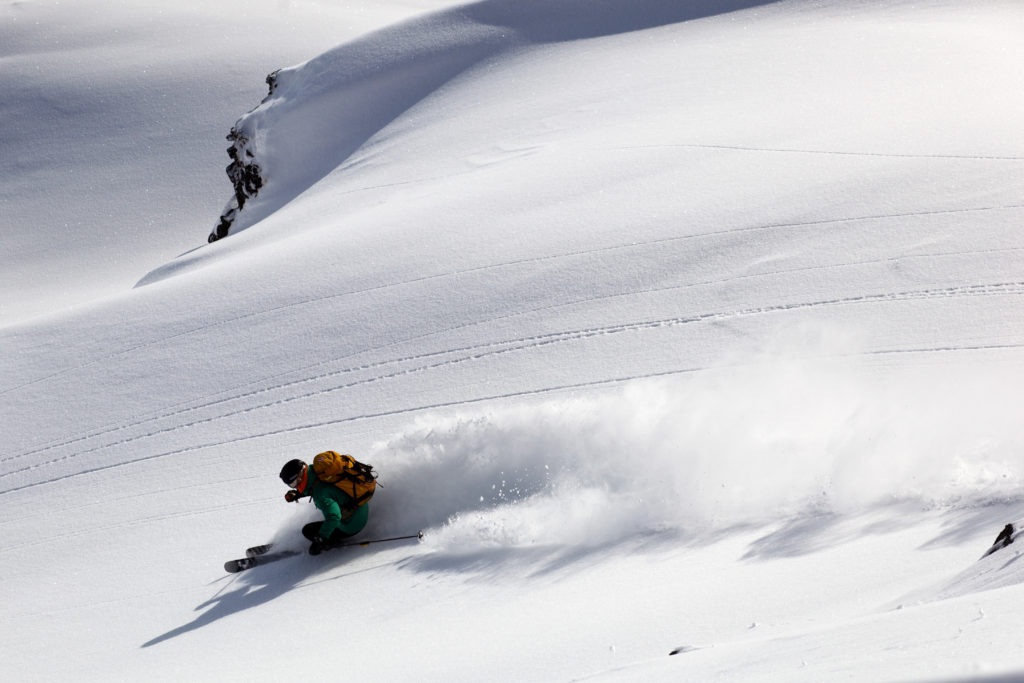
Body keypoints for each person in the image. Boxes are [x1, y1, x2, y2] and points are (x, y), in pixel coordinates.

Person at [279, 458, 370, 555]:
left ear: (299, 477)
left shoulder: (320, 495)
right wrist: (298, 494)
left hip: (352, 524)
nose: (294, 487)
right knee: (328, 510)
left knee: (308, 531)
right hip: (361, 507)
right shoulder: (317, 471)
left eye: (293, 484)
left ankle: (330, 542)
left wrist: (320, 539)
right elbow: (322, 487)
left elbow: (334, 517)